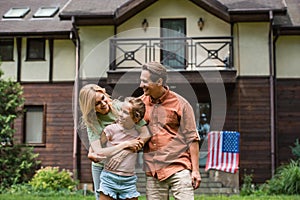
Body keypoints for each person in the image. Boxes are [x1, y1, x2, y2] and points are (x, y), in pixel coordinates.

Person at [139, 61, 201, 200]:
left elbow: (192, 138)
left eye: (145, 81)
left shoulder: (181, 104)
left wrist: (195, 171)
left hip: (179, 168)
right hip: (153, 172)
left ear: (159, 81)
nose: (141, 85)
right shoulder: (139, 104)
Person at [79, 84, 149, 200]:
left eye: (102, 98)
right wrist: (125, 145)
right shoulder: (92, 121)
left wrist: (124, 153)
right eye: (97, 103)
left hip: (125, 169)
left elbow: (146, 133)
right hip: (102, 167)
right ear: (90, 108)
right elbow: (97, 152)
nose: (103, 103)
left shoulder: (121, 108)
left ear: (105, 93)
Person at [92, 97, 146, 200]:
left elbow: (148, 134)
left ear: (136, 118)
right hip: (109, 178)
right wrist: (93, 154)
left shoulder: (138, 134)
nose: (120, 114)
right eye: (121, 110)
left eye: (125, 112)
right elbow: (95, 148)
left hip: (129, 181)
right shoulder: (111, 129)